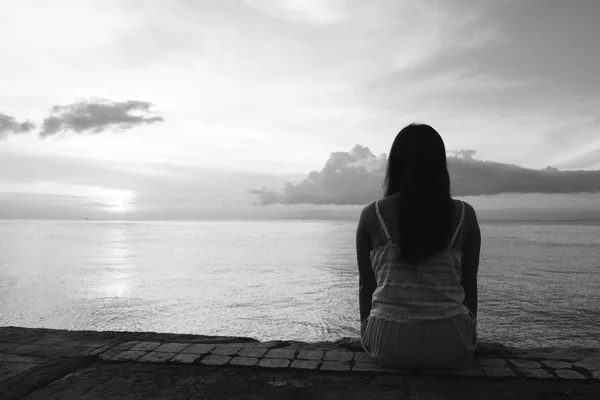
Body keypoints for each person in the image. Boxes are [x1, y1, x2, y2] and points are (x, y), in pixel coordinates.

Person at [355, 123, 481, 369]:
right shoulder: (465, 214)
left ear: (396, 163)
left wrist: (367, 332)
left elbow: (365, 286)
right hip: (452, 343)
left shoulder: (372, 214)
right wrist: (468, 329)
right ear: (439, 164)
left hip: (388, 342)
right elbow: (469, 287)